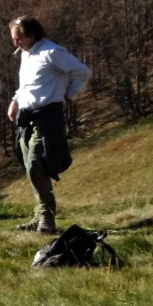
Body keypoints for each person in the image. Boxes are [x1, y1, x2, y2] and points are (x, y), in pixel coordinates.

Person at [6, 16, 91, 233]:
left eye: (19, 38)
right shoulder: (25, 54)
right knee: (29, 165)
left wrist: (70, 94)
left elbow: (83, 72)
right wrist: (15, 101)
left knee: (36, 162)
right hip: (27, 117)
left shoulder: (52, 52)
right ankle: (41, 216)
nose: (15, 43)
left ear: (32, 34)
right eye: (14, 38)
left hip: (47, 116)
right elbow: (27, 85)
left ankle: (46, 219)